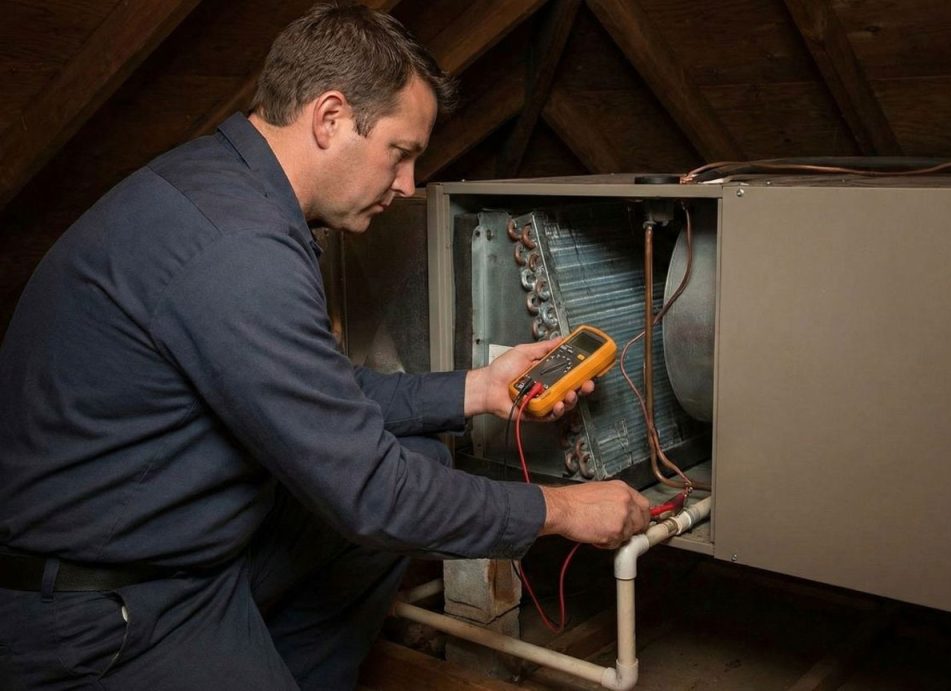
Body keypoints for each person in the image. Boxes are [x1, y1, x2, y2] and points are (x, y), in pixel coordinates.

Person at [0, 3, 650, 689]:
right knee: (381, 501)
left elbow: (324, 396)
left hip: (175, 542)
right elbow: (371, 492)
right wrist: (563, 508)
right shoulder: (239, 250)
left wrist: (478, 389)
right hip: (100, 611)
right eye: (401, 153)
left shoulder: (224, 184)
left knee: (419, 459)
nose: (408, 185)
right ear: (331, 117)